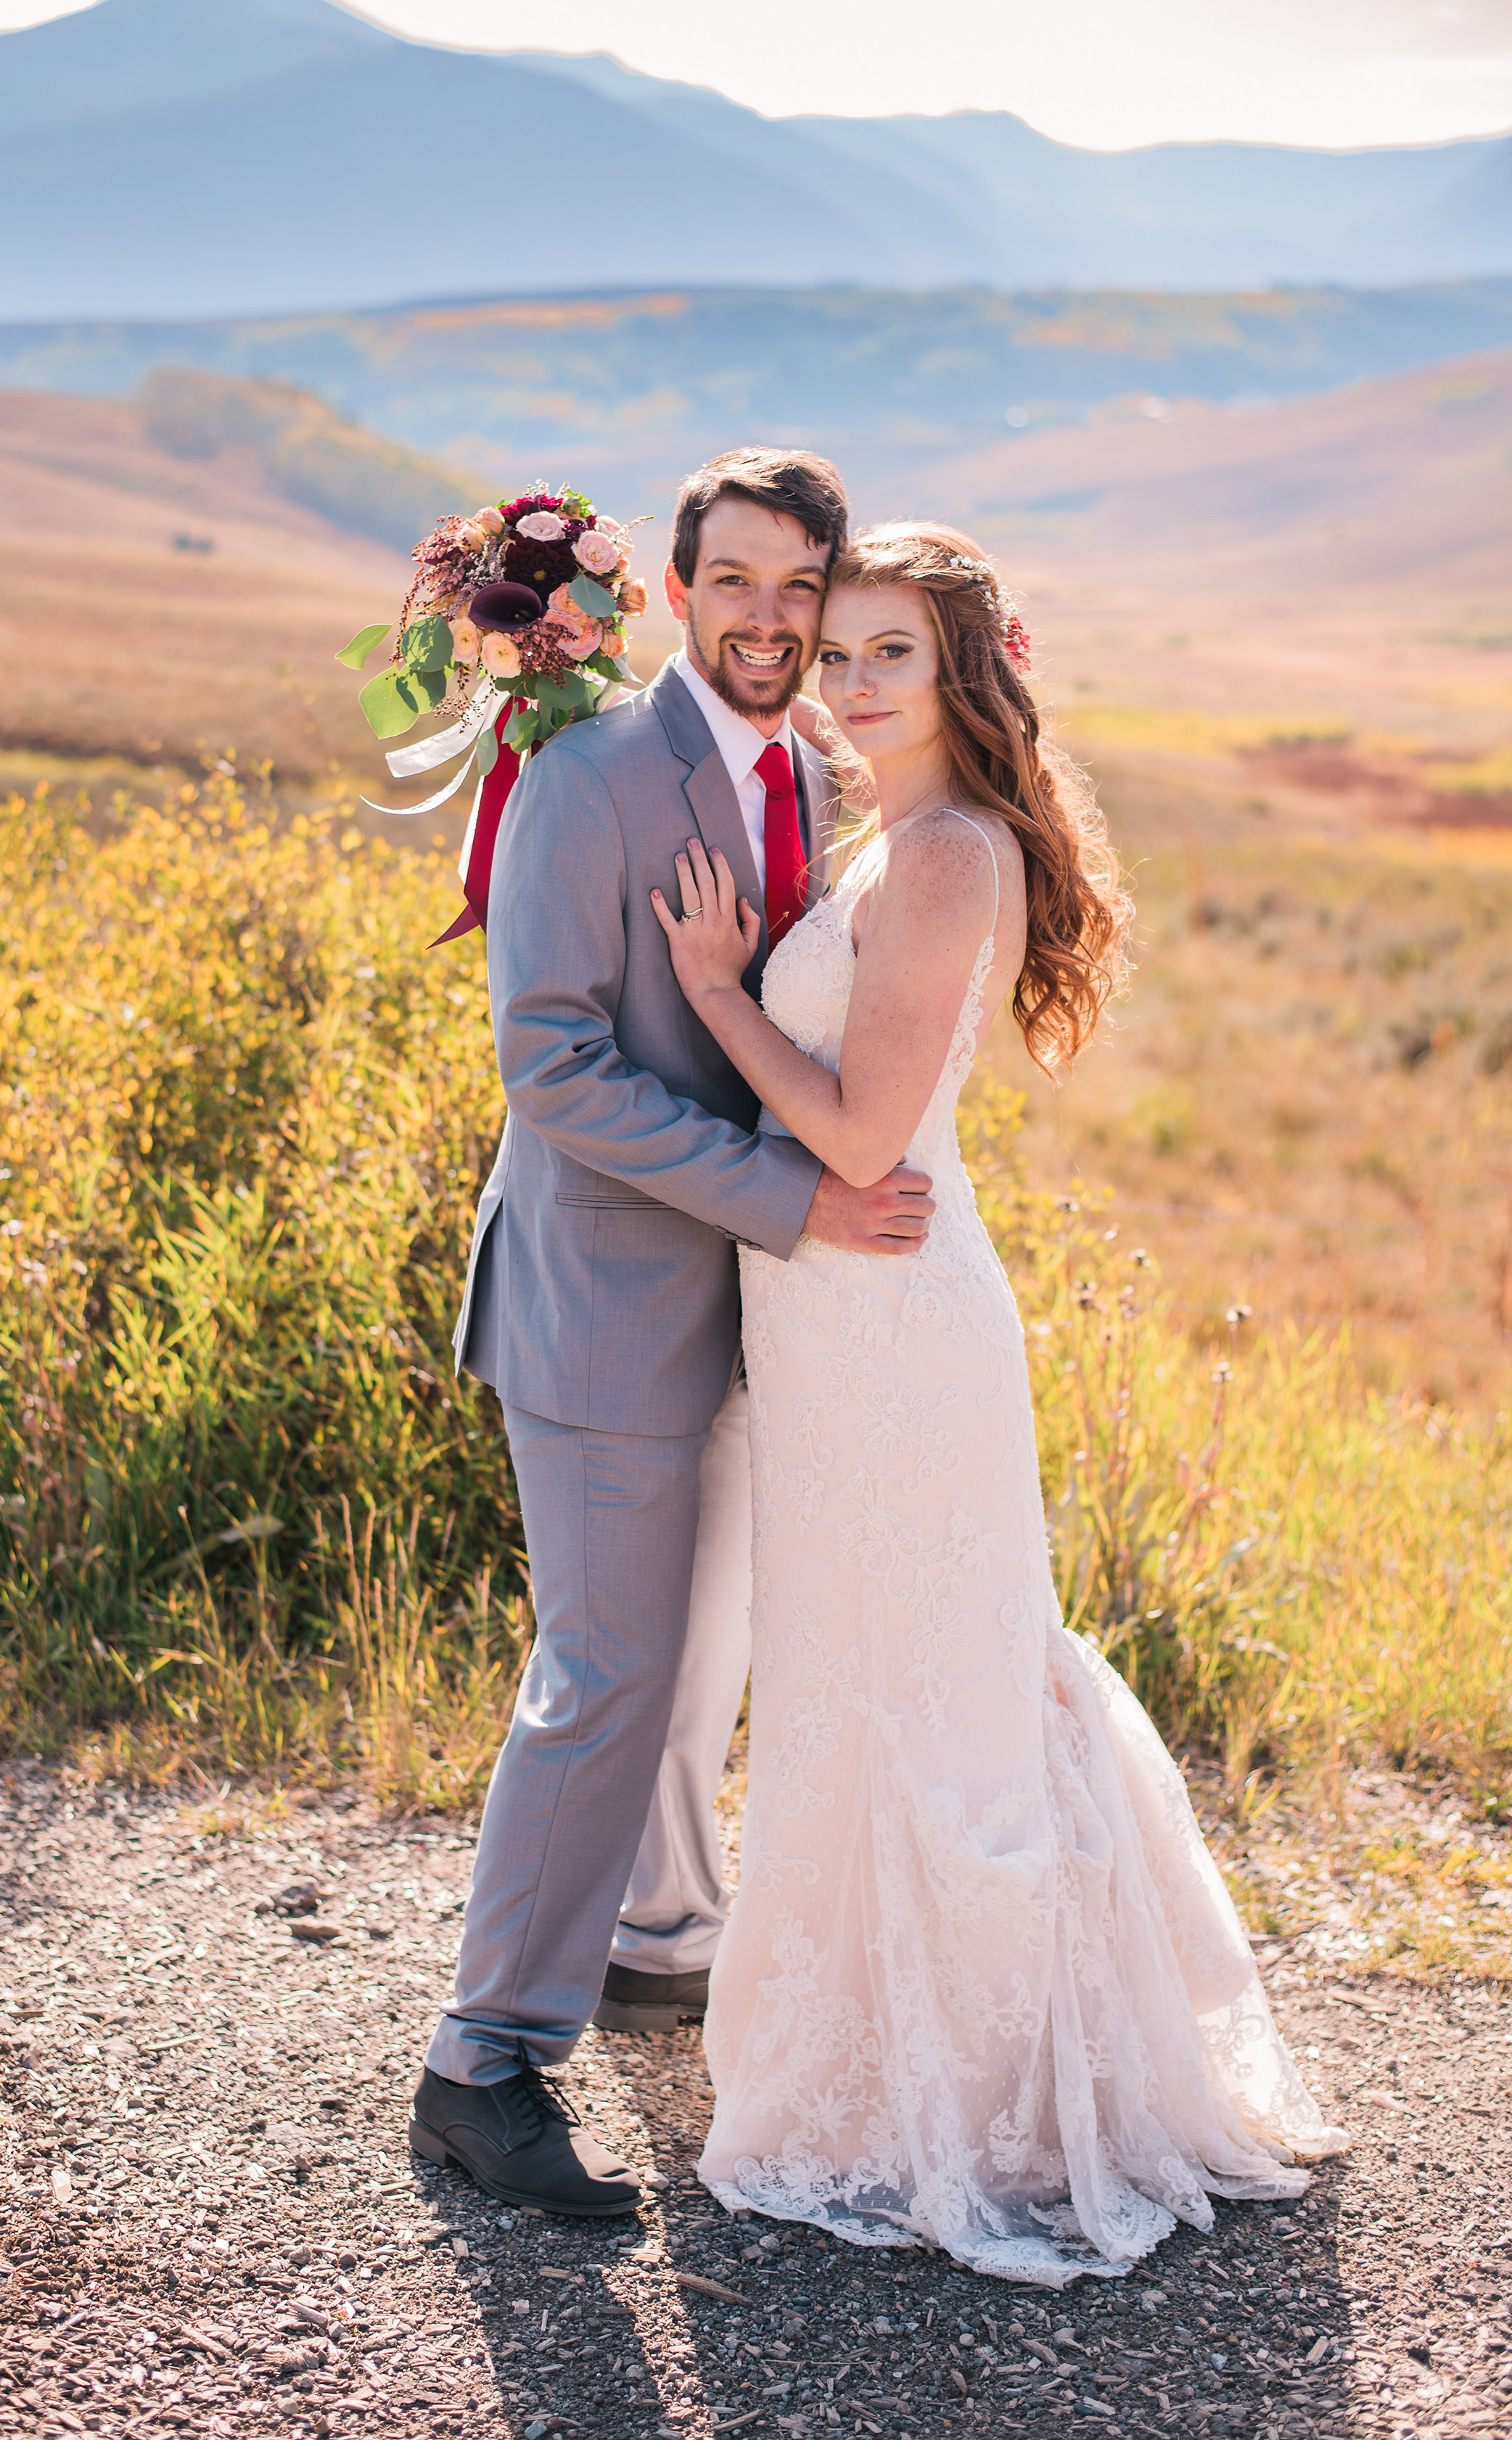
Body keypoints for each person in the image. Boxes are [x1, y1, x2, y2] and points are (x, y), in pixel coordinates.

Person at [649, 521, 1345, 2284]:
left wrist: (722, 996)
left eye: (895, 653)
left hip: (890, 1319)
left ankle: (982, 2090)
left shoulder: (946, 853)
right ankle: (885, 2064)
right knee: (864, 1668)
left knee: (931, 1680)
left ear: (969, 675)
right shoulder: (897, 835)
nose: (853, 679)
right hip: (838, 1319)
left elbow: (863, 1137)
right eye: (843, 648)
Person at [410, 449, 937, 2216]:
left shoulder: (812, 773)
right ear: (679, 593)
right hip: (605, 1306)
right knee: (606, 1676)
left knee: (690, 1669)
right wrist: (792, 1201)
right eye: (738, 583)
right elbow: (550, 1066)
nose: (773, 620)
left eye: (802, 587)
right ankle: (482, 2063)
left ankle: (648, 1942)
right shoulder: (591, 778)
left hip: (746, 1321)